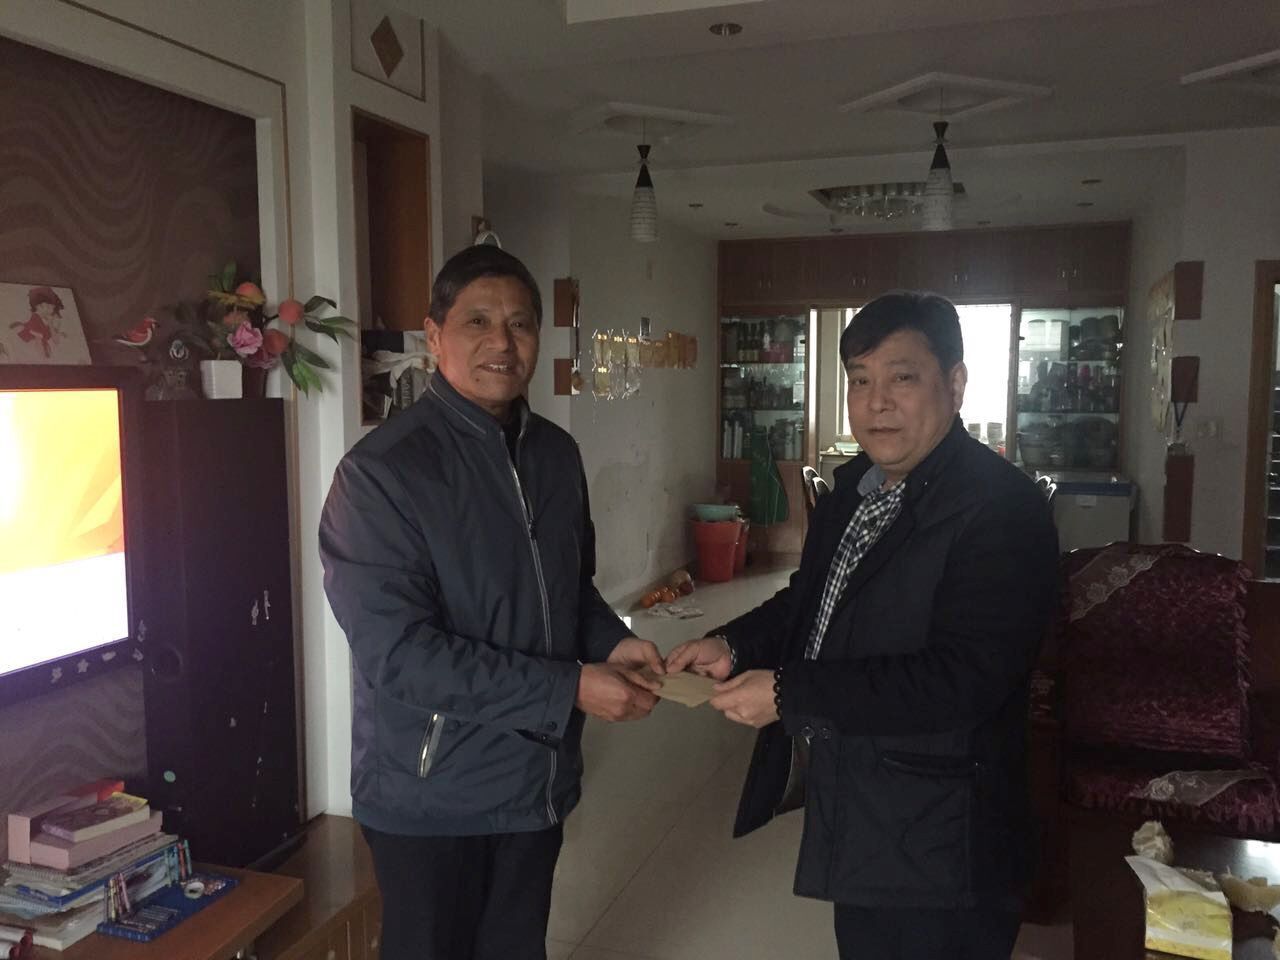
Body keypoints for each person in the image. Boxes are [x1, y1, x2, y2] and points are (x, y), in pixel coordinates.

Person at [666, 291, 1058, 960]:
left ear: (955, 383)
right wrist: (732, 644)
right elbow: (812, 599)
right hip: (864, 806)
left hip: (945, 835)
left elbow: (964, 679)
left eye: (902, 377)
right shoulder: (856, 488)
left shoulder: (1002, 509)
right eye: (860, 380)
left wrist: (790, 693)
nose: (877, 402)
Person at [320, 245, 665, 960]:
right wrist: (570, 688)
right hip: (431, 796)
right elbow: (400, 657)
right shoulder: (381, 474)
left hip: (535, 783)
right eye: (477, 321)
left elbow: (569, 591)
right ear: (434, 335)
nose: (502, 343)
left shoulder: (556, 456)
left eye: (520, 324)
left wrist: (612, 642)